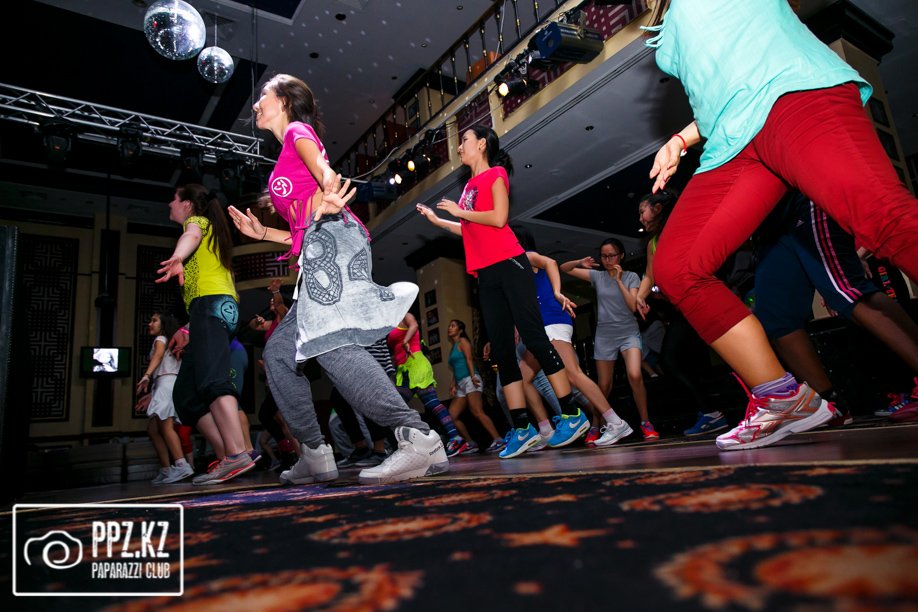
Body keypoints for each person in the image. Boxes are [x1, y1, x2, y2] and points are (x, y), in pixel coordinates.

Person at [640, 0, 918, 450]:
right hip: (733, 140)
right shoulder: (666, 24)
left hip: (793, 96)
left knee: (883, 218)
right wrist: (681, 139)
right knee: (677, 266)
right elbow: (725, 85)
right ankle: (783, 397)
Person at [228, 73, 447, 485]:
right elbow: (303, 226)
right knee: (279, 355)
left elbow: (325, 174)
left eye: (263, 96)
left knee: (332, 345)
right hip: (319, 244)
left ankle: (417, 437)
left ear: (285, 101)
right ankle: (314, 451)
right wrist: (264, 232)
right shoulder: (287, 150)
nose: (256, 104)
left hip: (332, 243)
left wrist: (329, 189)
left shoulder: (297, 132)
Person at [417, 125, 593, 459]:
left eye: (464, 141)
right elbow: (471, 228)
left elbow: (499, 218)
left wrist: (459, 212)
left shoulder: (495, 174)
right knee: (501, 350)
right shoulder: (467, 188)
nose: (459, 147)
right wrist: (441, 222)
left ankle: (572, 413)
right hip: (486, 273)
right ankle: (522, 427)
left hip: (510, 264)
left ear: (482, 144)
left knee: (534, 337)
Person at [754, 190, 918, 423]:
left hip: (801, 199)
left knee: (847, 290)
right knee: (774, 315)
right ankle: (829, 407)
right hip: (766, 223)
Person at [156, 184, 255, 484]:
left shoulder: (198, 222)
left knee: (213, 380)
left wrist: (177, 256)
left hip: (210, 306)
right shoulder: (215, 238)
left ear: (187, 204)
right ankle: (230, 456)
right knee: (186, 395)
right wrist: (189, 327)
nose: (169, 205)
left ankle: (236, 454)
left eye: (174, 200)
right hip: (216, 308)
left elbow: (191, 235)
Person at [513, 225, 633, 448]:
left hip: (552, 321)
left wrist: (557, 293)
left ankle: (616, 422)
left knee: (573, 374)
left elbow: (551, 263)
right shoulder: (517, 266)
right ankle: (546, 430)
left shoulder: (527, 256)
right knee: (521, 379)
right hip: (542, 326)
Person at [635, 191, 729, 437]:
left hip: (704, 299)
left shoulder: (681, 225)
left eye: (643, 211)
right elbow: (649, 275)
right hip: (683, 309)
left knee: (726, 352)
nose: (641, 218)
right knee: (671, 360)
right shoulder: (652, 244)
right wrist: (640, 296)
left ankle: (770, 395)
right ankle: (710, 412)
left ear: (657, 208)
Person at [562, 239, 658, 440]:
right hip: (605, 335)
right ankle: (596, 425)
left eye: (611, 256)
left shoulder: (631, 277)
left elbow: (632, 306)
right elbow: (564, 268)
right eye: (603, 256)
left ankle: (645, 422)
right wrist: (579, 262)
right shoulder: (597, 276)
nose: (607, 260)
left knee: (635, 375)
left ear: (621, 256)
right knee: (604, 385)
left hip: (628, 332)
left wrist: (618, 280)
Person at [388, 313, 474, 456]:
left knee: (429, 404)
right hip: (404, 370)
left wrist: (405, 341)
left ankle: (455, 439)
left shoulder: (405, 315)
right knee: (396, 407)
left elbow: (414, 325)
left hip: (416, 365)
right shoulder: (390, 321)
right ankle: (405, 446)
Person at [135, 311, 193, 484]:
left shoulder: (161, 339)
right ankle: (167, 469)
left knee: (166, 426)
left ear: (163, 324)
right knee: (153, 430)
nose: (150, 324)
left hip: (166, 384)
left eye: (154, 321)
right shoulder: (172, 341)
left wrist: (146, 375)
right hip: (166, 384)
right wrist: (152, 393)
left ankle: (182, 465)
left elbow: (159, 356)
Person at [445, 319, 506, 454]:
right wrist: (453, 384)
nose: (449, 328)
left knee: (477, 411)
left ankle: (498, 440)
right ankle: (470, 443)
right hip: (461, 383)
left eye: (453, 326)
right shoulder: (453, 347)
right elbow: (456, 367)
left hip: (470, 379)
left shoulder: (463, 341)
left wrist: (473, 376)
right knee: (452, 415)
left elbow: (469, 359)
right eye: (449, 326)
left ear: (460, 329)